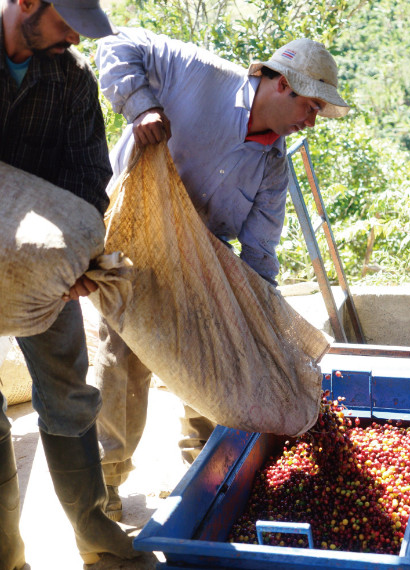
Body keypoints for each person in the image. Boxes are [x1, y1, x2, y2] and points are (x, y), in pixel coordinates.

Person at [94, 28, 350, 521]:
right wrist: (142, 107)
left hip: (200, 262)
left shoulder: (272, 167)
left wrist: (260, 328)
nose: (312, 121)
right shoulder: (197, 73)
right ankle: (103, 486)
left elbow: (259, 255)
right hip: (131, 237)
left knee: (215, 354)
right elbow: (114, 44)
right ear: (283, 84)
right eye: (311, 106)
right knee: (121, 360)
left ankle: (206, 473)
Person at [0, 0, 144, 567]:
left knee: (67, 393)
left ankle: (98, 541)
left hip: (45, 272)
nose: (75, 39)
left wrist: (76, 262)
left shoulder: (71, 78)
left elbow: (89, 174)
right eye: (67, 24)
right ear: (27, 3)